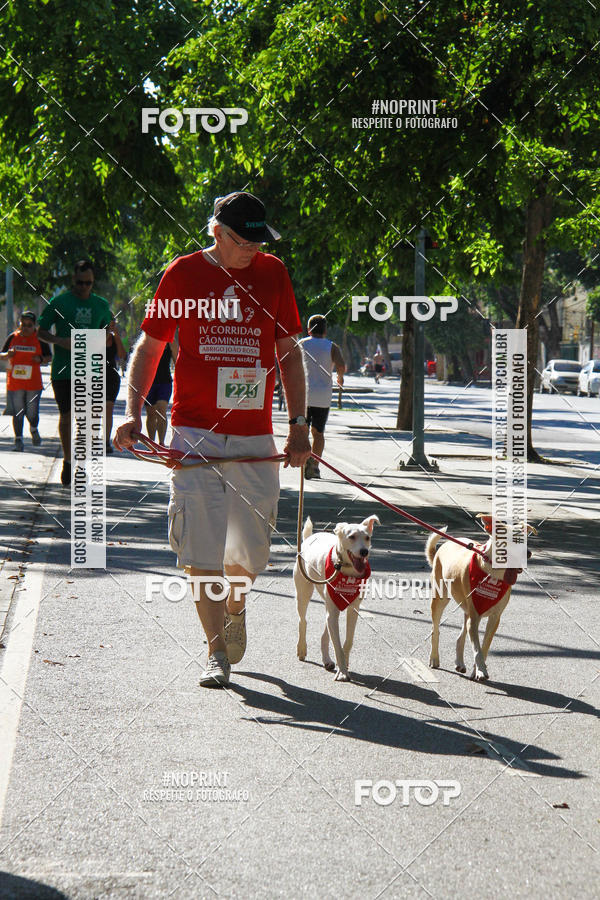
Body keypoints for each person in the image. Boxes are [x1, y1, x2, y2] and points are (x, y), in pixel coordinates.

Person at [115, 191, 311, 688]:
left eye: (259, 241)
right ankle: (215, 651)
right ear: (217, 234)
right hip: (195, 433)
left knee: (248, 552)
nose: (253, 250)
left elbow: (288, 353)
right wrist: (131, 412)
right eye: (244, 242)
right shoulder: (182, 274)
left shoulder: (273, 274)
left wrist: (299, 425)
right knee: (200, 552)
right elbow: (150, 345)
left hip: (254, 437)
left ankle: (236, 602)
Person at [38, 260, 114, 484]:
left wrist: (108, 335)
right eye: (80, 283)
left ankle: (80, 464)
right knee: (67, 417)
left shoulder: (100, 304)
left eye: (88, 283)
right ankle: (68, 461)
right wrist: (59, 340)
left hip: (90, 369)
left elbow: (107, 336)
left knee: (86, 421)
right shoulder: (59, 302)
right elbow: (41, 331)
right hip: (63, 370)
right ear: (74, 280)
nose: (84, 287)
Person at [299, 314, 345, 480]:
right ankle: (315, 464)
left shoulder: (301, 344)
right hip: (323, 396)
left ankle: (303, 460)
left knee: (302, 430)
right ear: (325, 330)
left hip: (302, 395)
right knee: (318, 433)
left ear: (309, 329)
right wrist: (340, 377)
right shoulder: (332, 346)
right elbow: (341, 365)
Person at [1, 311, 51, 451]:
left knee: (32, 413)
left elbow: (49, 356)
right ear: (20, 324)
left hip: (33, 384)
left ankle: (34, 429)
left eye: (29, 325)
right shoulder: (13, 337)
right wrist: (7, 355)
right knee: (18, 412)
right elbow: (2, 355)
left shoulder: (39, 339)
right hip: (15, 384)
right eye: (23, 325)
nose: (26, 328)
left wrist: (41, 359)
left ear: (34, 326)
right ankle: (18, 440)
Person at [144, 340, 177, 444]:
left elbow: (177, 361)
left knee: (161, 410)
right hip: (149, 382)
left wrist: (172, 342)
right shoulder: (148, 339)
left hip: (165, 382)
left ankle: (161, 443)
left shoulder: (170, 341)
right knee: (151, 413)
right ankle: (151, 442)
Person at [105, 321, 127, 454]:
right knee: (95, 411)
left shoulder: (114, 338)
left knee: (108, 409)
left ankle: (106, 441)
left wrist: (116, 335)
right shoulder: (94, 336)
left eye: (112, 323)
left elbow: (122, 355)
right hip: (95, 376)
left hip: (111, 377)